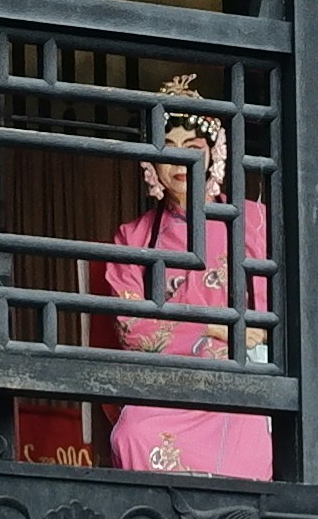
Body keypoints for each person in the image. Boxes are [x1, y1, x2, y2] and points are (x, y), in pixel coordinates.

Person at [88, 79, 273, 479]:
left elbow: (257, 326)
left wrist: (219, 331)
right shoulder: (132, 238)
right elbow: (134, 331)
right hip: (166, 385)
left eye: (193, 149)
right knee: (134, 432)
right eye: (169, 151)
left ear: (213, 153)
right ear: (151, 163)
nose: (181, 163)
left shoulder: (252, 220)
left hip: (234, 379)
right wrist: (213, 325)